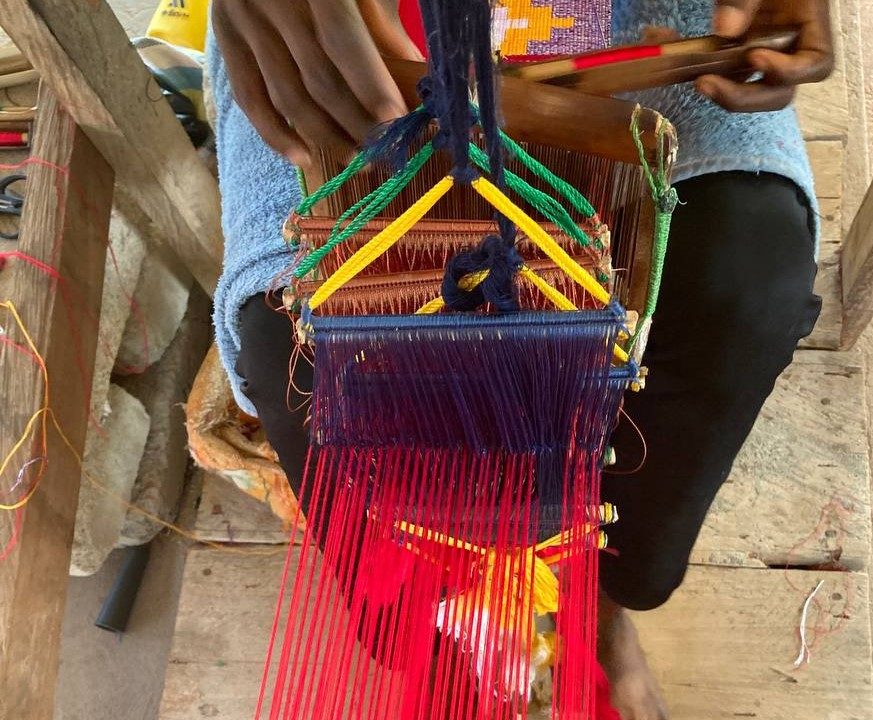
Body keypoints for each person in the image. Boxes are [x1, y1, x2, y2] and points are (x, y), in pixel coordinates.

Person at [208, 1, 834, 718]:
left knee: (743, 284)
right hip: (348, 32)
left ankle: (597, 600)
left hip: (598, 11)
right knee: (302, 352)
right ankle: (443, 630)